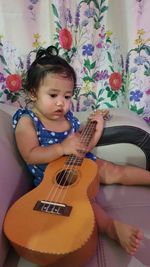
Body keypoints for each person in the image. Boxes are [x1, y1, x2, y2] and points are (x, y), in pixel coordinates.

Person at [13, 45, 150, 257]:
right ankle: (111, 228)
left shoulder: (67, 118)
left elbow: (83, 146)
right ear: (33, 93)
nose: (62, 103)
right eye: (53, 94)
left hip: (82, 163)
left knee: (116, 171)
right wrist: (60, 147)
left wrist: (97, 127)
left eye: (67, 97)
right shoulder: (27, 120)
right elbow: (30, 155)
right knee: (82, 202)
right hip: (51, 180)